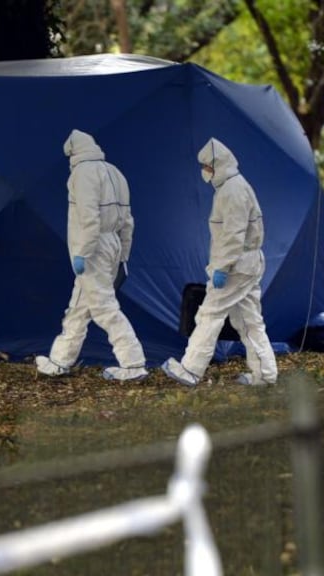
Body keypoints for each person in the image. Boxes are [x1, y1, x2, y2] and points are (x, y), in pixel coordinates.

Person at [162, 137, 278, 386]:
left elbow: (233, 235)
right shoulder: (233, 187)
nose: (204, 171)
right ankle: (266, 375)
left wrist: (222, 267)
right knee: (248, 321)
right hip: (246, 263)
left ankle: (190, 369)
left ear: (218, 165)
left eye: (207, 166)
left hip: (236, 265)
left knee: (209, 314)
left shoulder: (232, 191)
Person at [35, 129, 148, 381]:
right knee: (78, 307)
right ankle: (59, 360)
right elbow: (128, 221)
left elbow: (88, 217)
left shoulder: (82, 173)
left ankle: (133, 364)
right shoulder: (115, 173)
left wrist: (82, 252)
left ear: (73, 153)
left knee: (103, 307)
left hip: (92, 247)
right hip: (112, 244)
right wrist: (123, 256)